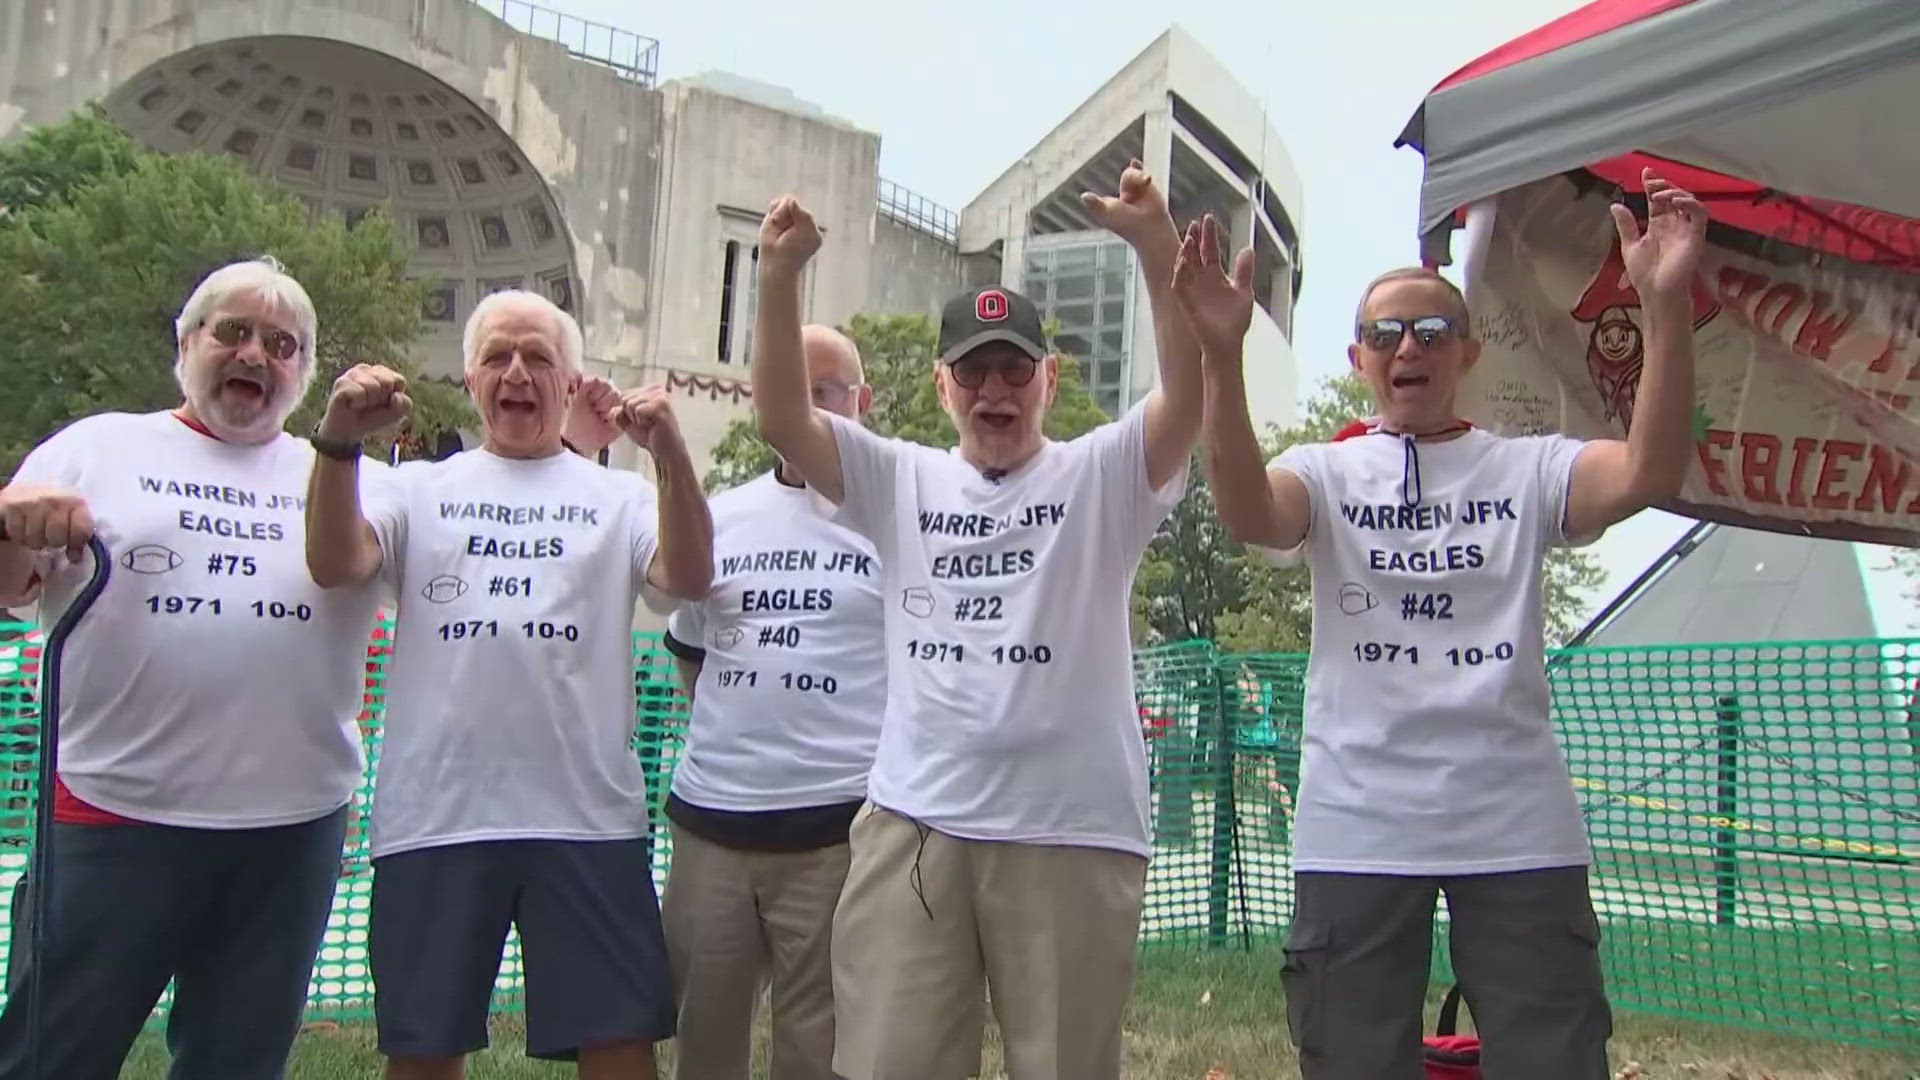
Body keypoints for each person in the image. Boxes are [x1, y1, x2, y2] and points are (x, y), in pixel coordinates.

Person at [1179, 167, 1707, 1079]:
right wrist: (1220, 354)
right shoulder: (1330, 473)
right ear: (1359, 362)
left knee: (1555, 1057)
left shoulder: (1528, 468)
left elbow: (1650, 471)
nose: (1407, 347)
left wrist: (1663, 304)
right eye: (1383, 334)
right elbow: (1250, 513)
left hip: (1518, 825)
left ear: (1468, 354)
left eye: (1431, 330)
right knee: (1348, 1057)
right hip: (1356, 824)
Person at [749, 162, 1203, 1080]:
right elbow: (784, 420)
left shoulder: (1102, 475)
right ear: (942, 385)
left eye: (1015, 370)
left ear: (1050, 380)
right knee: (886, 1063)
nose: (995, 390)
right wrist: (776, 276)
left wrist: (1158, 254)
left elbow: (1187, 399)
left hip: (1071, 832)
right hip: (918, 827)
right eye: (974, 371)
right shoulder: (899, 477)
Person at [303, 289, 713, 1080]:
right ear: (470, 379)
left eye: (538, 359)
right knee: (424, 1047)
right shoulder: (414, 490)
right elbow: (334, 564)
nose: (517, 373)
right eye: (497, 357)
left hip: (588, 820)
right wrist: (338, 441)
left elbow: (687, 578)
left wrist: (670, 455)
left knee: (620, 1042)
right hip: (437, 818)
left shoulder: (620, 494)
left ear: (571, 383)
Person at [0, 256, 388, 1080]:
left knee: (238, 1065)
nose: (255, 355)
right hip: (112, 816)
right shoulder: (94, 447)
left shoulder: (353, 480)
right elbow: (9, 589)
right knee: (51, 1056)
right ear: (186, 343)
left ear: (303, 372)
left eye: (282, 344)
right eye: (233, 332)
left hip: (290, 832)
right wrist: (6, 527)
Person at [644, 325, 885, 1080]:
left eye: (827, 392)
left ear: (862, 403)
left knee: (819, 1048)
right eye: (793, 390)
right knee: (703, 1042)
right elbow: (693, 659)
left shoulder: (891, 515)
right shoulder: (719, 516)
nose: (808, 409)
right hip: (712, 834)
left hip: (836, 837)